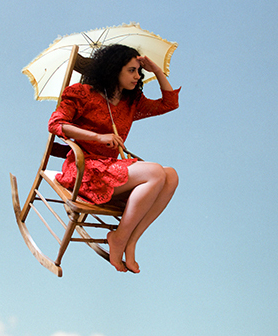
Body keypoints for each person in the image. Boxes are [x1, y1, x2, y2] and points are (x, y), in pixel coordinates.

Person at [48, 44, 180, 273]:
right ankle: (120, 238)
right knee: (156, 172)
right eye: (131, 70)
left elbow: (170, 103)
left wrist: (157, 71)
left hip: (111, 169)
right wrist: (97, 137)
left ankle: (129, 240)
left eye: (139, 71)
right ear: (113, 69)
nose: (137, 76)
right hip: (84, 169)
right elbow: (56, 124)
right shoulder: (81, 93)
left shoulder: (132, 101)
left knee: (171, 176)